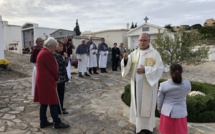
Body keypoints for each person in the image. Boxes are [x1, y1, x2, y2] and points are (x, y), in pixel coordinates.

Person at [121, 33, 164, 134]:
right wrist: (126, 60)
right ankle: (138, 126)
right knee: (137, 105)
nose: (142, 42)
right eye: (141, 40)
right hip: (136, 86)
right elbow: (126, 66)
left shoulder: (155, 54)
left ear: (149, 41)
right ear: (138, 41)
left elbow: (160, 68)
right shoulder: (134, 53)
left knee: (147, 106)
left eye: (145, 40)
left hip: (148, 85)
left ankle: (148, 127)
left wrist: (146, 70)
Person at [34, 37, 69, 129]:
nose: (55, 49)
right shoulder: (47, 54)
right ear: (52, 46)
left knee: (44, 102)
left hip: (42, 80)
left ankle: (43, 121)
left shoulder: (42, 51)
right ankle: (57, 122)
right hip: (47, 81)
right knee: (53, 101)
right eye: (55, 47)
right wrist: (57, 78)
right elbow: (54, 69)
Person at [157, 63, 191, 134]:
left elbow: (160, 98)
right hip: (181, 112)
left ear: (170, 72)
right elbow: (187, 92)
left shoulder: (164, 85)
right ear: (181, 72)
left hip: (167, 112)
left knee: (166, 132)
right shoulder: (187, 84)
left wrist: (159, 107)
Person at [54, 40, 69, 115]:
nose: (61, 47)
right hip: (60, 77)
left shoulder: (59, 54)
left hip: (61, 77)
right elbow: (65, 64)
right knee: (60, 94)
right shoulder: (57, 55)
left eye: (62, 46)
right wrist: (66, 58)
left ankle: (60, 107)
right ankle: (59, 109)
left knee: (61, 94)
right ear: (55, 46)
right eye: (60, 46)